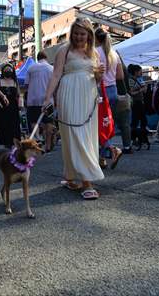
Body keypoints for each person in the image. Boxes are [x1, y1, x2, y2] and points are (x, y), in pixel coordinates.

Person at [43, 17, 105, 200]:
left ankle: (71, 176)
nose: (79, 37)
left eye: (82, 34)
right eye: (76, 33)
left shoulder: (94, 53)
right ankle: (87, 181)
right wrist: (47, 98)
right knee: (73, 135)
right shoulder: (64, 50)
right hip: (69, 93)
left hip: (89, 95)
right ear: (72, 34)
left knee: (87, 135)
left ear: (89, 35)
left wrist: (99, 76)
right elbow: (55, 75)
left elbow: (98, 80)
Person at [94, 27, 123, 168]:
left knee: (98, 125)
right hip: (113, 90)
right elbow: (120, 76)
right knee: (107, 124)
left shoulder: (95, 52)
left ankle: (112, 149)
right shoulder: (114, 53)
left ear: (96, 39)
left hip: (100, 91)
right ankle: (101, 158)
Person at [24, 51, 55, 152]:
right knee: (49, 122)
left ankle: (36, 140)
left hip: (32, 100)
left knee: (34, 122)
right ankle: (48, 145)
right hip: (47, 100)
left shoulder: (31, 68)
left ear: (37, 58)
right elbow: (55, 86)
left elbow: (26, 85)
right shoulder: (51, 68)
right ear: (46, 58)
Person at [0, 63, 21, 148]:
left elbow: (18, 94)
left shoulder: (14, 82)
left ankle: (14, 142)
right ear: (3, 71)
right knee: (3, 125)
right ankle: (6, 143)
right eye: (6, 70)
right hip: (2, 107)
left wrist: (20, 104)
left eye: (10, 70)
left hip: (13, 107)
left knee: (14, 125)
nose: (8, 71)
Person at [128, 64, 148, 131]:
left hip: (141, 102)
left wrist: (144, 88)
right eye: (140, 71)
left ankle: (142, 137)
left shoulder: (140, 79)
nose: (141, 73)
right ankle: (134, 138)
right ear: (135, 72)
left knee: (143, 120)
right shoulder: (131, 80)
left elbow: (145, 91)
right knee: (135, 121)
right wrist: (140, 90)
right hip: (135, 102)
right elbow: (131, 92)